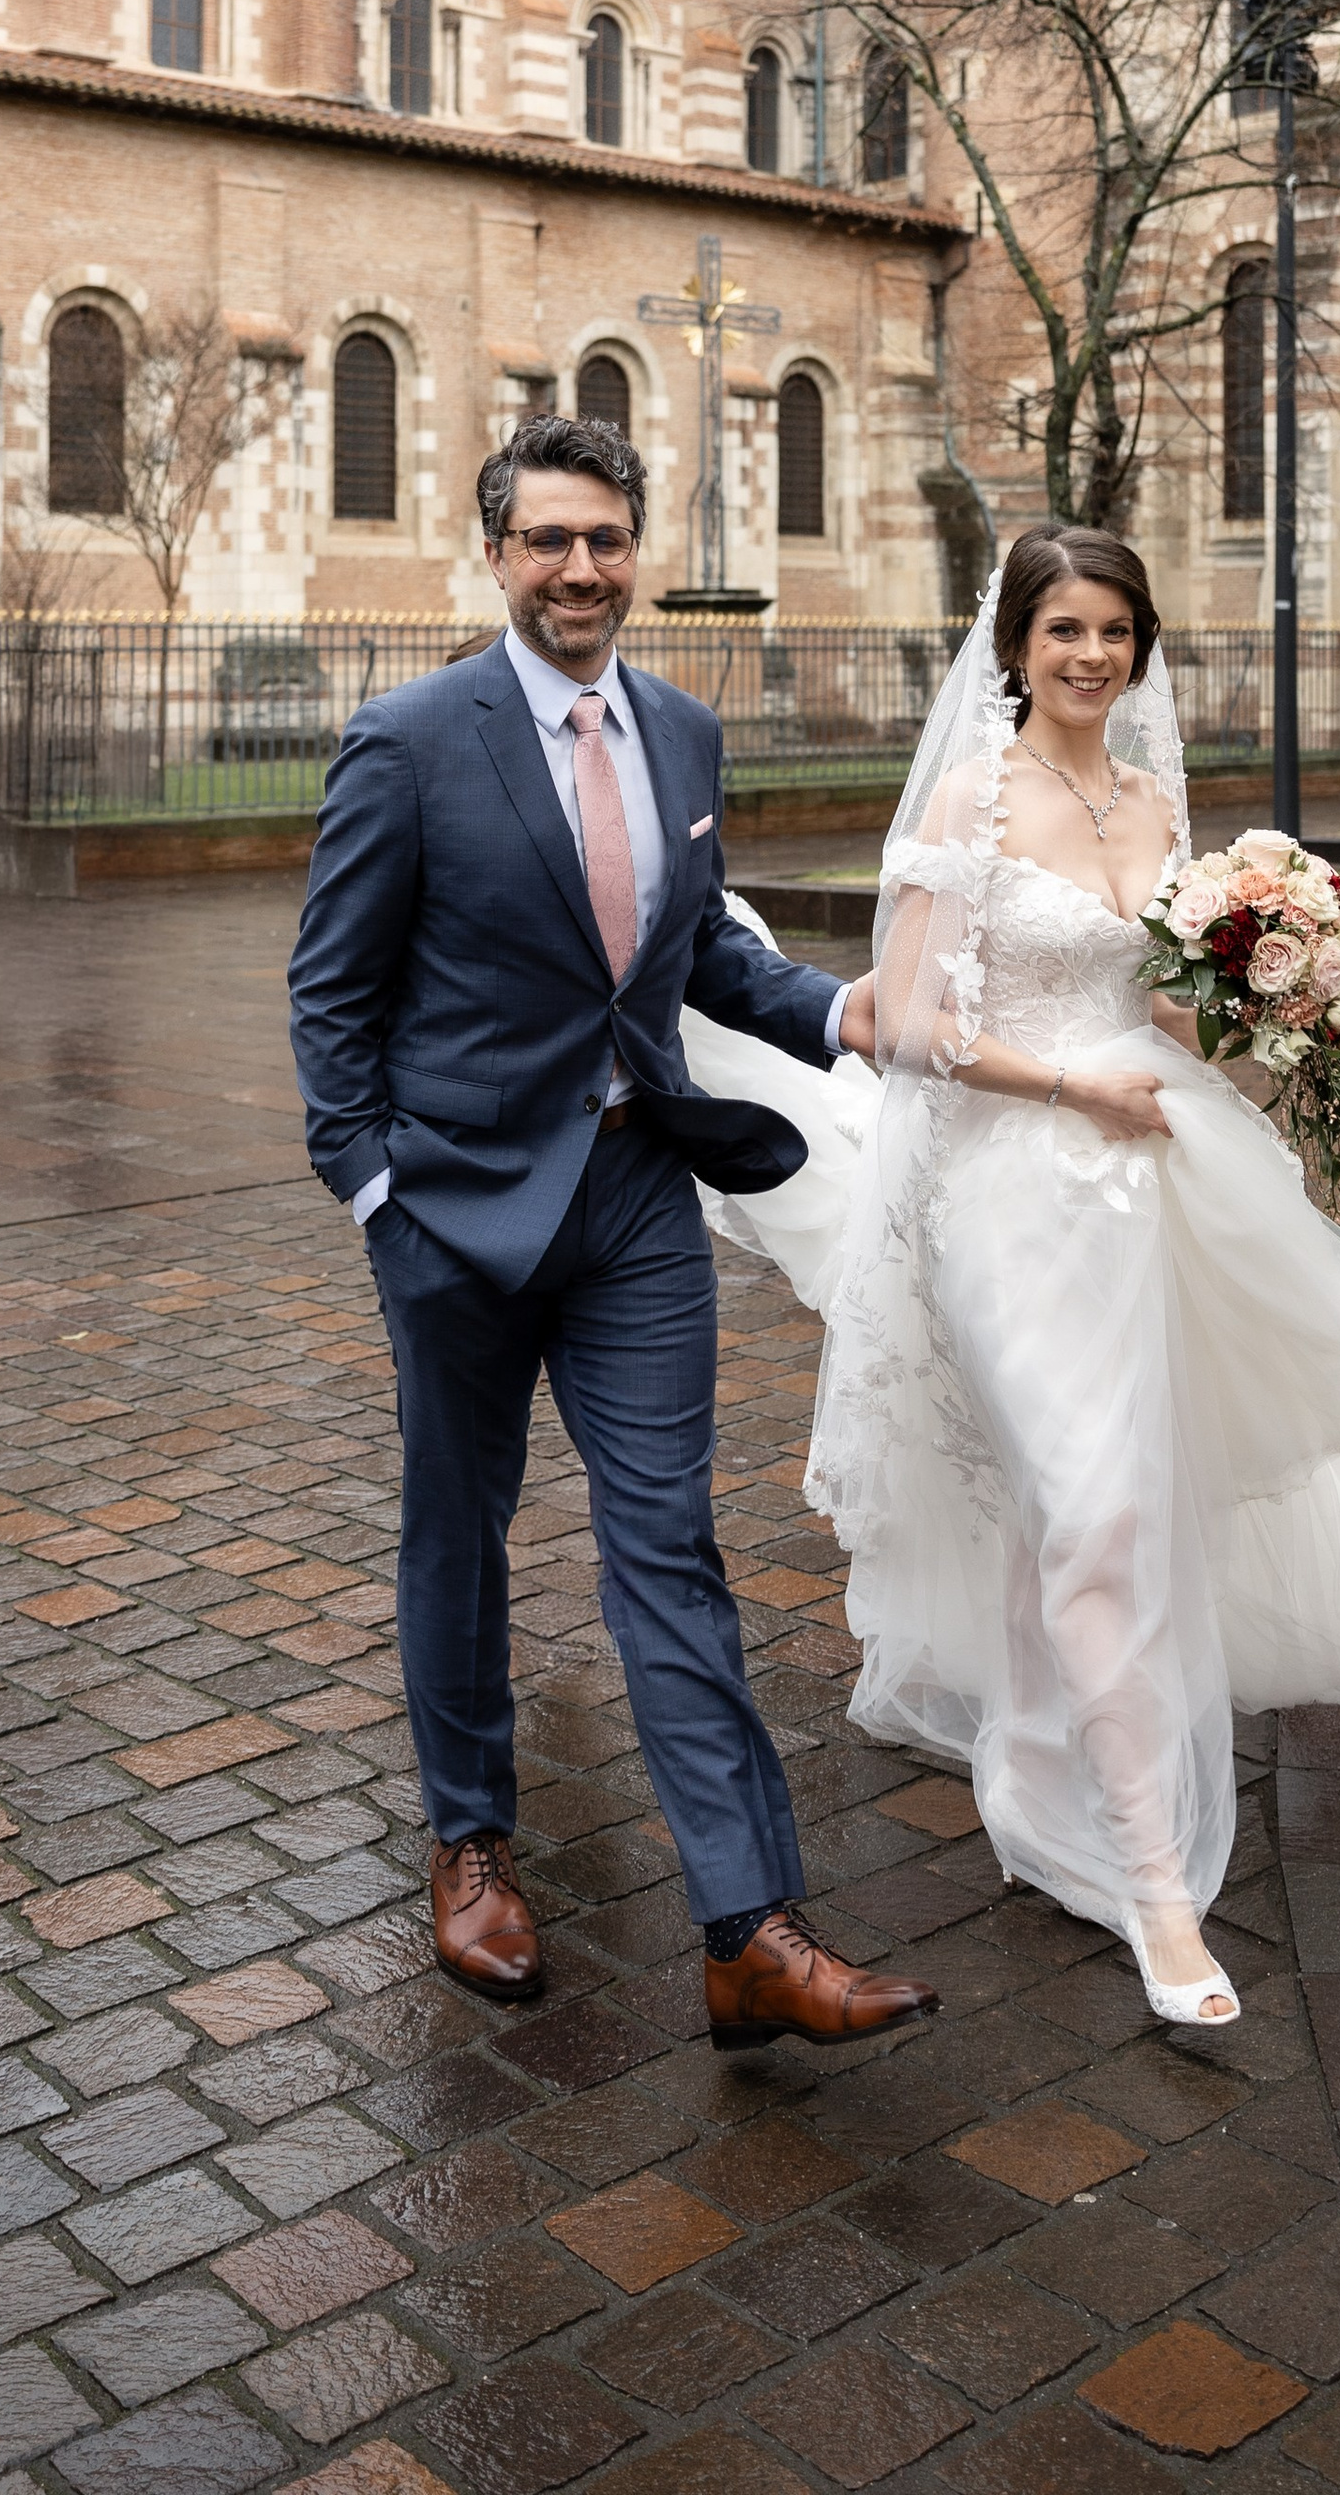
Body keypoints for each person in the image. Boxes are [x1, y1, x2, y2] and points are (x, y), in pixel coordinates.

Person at [684, 527, 1340, 2027]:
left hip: (1156, 1179)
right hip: (1007, 1193)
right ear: (1014, 646)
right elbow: (918, 1026)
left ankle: (1036, 1767)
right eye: (1065, 628)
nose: (1092, 655)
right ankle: (1156, 1889)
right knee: (1090, 1499)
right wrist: (1075, 1093)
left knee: (1092, 1495)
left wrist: (1294, 1014)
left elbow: (1168, 1001)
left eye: (1117, 630)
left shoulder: (1156, 802)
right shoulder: (969, 800)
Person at [288, 410, 938, 2052]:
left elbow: (700, 961)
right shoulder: (410, 739)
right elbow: (332, 993)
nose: (582, 569)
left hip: (640, 1194)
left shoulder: (685, 733)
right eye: (549, 542)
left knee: (670, 1553)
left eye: (608, 540)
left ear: (637, 553)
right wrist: (380, 1191)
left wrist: (845, 1007)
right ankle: (471, 1841)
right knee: (464, 1531)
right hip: (456, 1214)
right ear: (499, 554)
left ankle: (750, 1930)